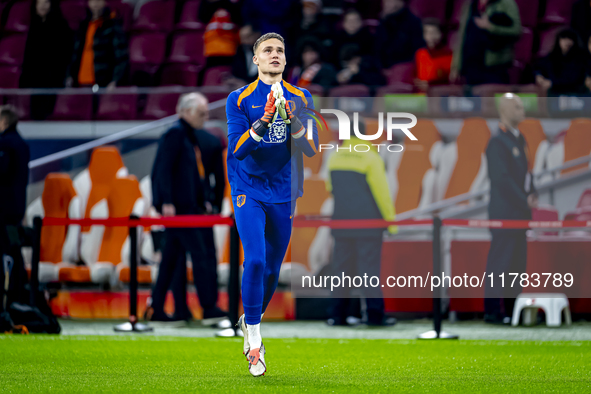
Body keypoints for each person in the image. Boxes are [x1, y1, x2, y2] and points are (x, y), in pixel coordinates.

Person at [226, 32, 318, 376]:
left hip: (284, 190)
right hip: (247, 186)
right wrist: (264, 121)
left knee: (271, 270)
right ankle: (254, 339)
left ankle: (250, 319)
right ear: (256, 59)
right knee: (255, 259)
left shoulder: (301, 96)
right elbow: (238, 149)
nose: (275, 54)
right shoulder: (239, 98)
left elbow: (310, 147)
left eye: (280, 50)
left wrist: (291, 118)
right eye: (268, 50)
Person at [148, 93, 227, 325]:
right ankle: (209, 307)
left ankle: (161, 308)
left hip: (190, 209)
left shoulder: (190, 137)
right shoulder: (175, 135)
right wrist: (166, 202)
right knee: (201, 256)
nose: (205, 117)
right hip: (181, 211)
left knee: (170, 261)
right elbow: (163, 169)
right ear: (185, 111)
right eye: (201, 113)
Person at [325, 119, 397, 327]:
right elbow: (382, 193)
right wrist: (391, 223)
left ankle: (337, 316)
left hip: (341, 223)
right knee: (369, 272)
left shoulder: (335, 156)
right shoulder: (370, 156)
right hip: (369, 225)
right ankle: (374, 317)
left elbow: (331, 188)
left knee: (341, 271)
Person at [484, 93, 537, 325]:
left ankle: (513, 311)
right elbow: (501, 179)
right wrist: (523, 199)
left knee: (517, 265)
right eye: (517, 106)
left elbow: (526, 172)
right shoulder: (497, 141)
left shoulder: (519, 138)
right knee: (500, 263)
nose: (521, 110)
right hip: (504, 213)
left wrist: (532, 192)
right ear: (504, 110)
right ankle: (494, 311)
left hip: (520, 215)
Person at [20, 0, 73, 120]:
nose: (42, 6)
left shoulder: (61, 25)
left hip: (53, 76)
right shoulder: (33, 26)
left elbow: (66, 54)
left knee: (49, 113)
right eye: (39, 3)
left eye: (46, 2)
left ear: (51, 5)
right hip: (35, 77)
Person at [0, 105, 30, 317]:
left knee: (7, 252)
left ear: (4, 122)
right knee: (14, 251)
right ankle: (19, 294)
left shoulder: (5, 144)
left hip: (4, 209)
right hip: (17, 208)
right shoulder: (22, 144)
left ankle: (10, 298)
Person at [451, 0, 521, 85]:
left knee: (491, 96)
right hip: (470, 67)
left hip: (495, 67)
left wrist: (491, 27)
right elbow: (461, 36)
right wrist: (455, 67)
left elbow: (516, 31)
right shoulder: (470, 4)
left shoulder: (506, 3)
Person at [67, 0, 128, 89]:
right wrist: (70, 75)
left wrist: (115, 80)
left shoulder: (112, 26)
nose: (95, 3)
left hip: (102, 82)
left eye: (98, 0)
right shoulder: (83, 26)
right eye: (92, 1)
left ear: (105, 2)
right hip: (81, 81)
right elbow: (74, 55)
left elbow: (121, 56)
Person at [535, 29, 588, 95]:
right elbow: (540, 67)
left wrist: (552, 83)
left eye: (570, 39)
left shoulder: (580, 58)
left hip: (573, 91)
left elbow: (574, 79)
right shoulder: (552, 56)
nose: (567, 42)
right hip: (554, 90)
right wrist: (538, 75)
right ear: (559, 40)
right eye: (564, 38)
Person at [374, 0, 425, 69]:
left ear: (401, 3)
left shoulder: (413, 22)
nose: (386, 4)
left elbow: (416, 50)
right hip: (383, 67)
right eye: (385, 1)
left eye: (390, 1)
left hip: (404, 66)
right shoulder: (384, 20)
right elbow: (378, 48)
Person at [414, 18, 453, 91]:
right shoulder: (420, 53)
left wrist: (430, 84)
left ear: (441, 34)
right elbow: (416, 76)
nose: (430, 36)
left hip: (439, 93)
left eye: (434, 32)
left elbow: (448, 79)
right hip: (422, 95)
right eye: (427, 32)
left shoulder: (448, 54)